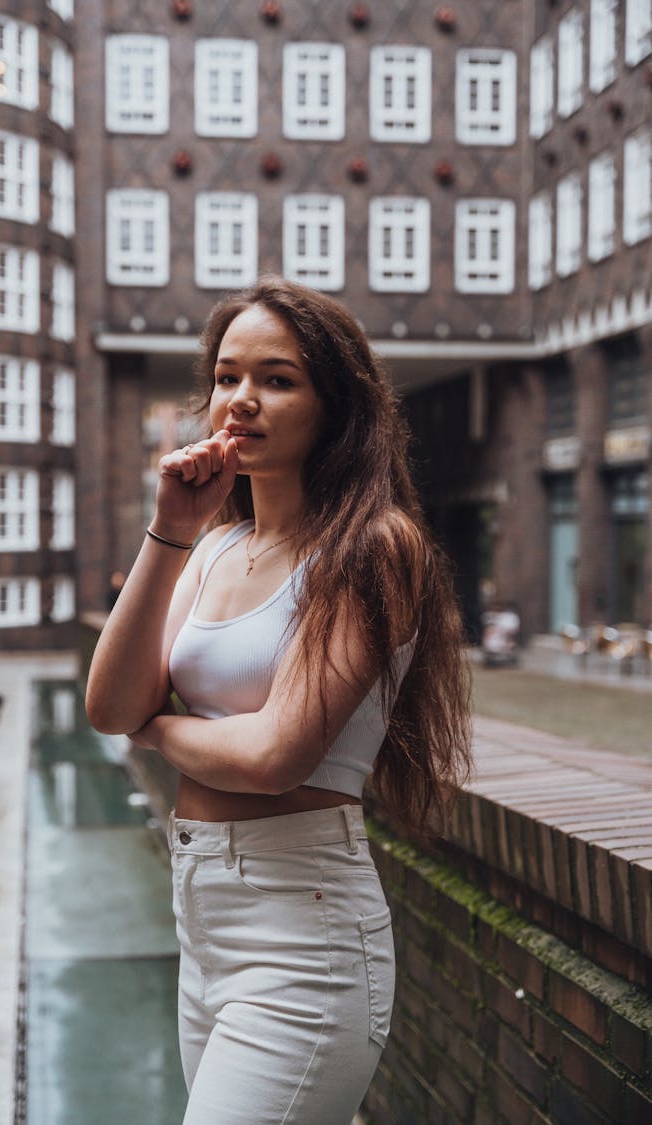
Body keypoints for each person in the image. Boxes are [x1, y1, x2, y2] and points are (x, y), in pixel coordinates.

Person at [86, 277, 471, 1125]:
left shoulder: (375, 545)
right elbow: (111, 706)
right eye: (226, 377)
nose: (241, 401)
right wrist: (171, 530)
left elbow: (273, 757)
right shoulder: (216, 548)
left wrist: (159, 726)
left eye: (278, 379)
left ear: (337, 404)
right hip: (204, 924)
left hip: (305, 934)